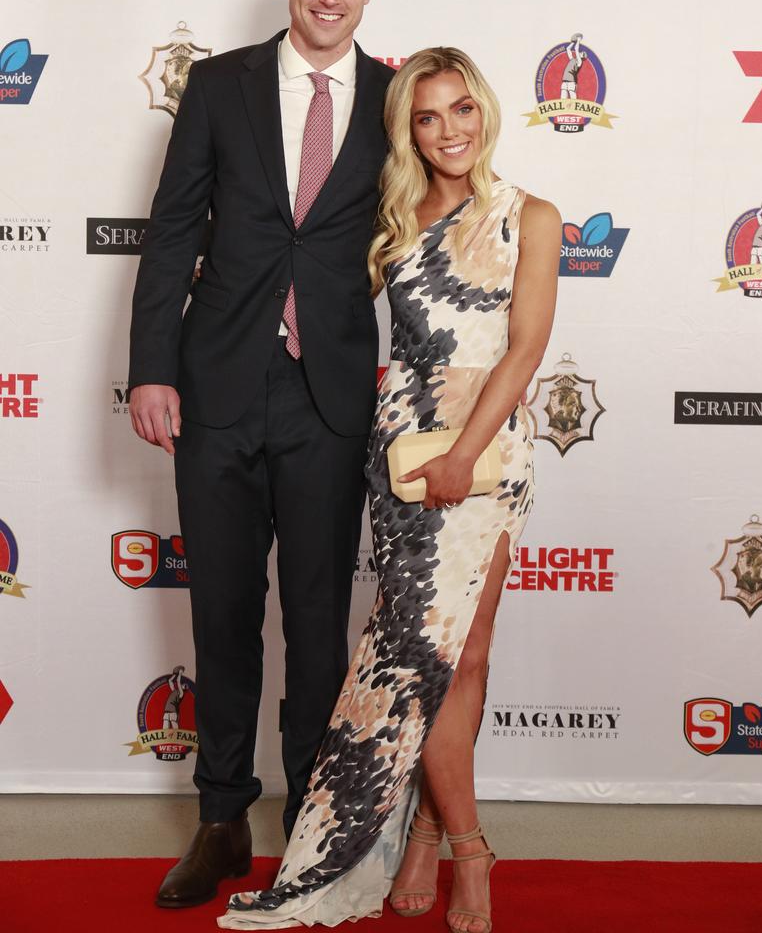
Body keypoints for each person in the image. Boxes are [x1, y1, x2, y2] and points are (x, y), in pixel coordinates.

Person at [218, 48, 560, 933]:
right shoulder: (393, 214)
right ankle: (462, 845)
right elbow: (300, 277)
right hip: (407, 453)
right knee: (421, 661)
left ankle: (434, 842)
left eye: (461, 110)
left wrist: (467, 454)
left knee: (468, 657)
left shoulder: (534, 215)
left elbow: (524, 351)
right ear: (407, 131)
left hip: (487, 456)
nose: (449, 130)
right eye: (426, 116)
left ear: (485, 112)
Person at [128, 0, 394, 909]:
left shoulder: (394, 94)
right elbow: (168, 233)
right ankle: (223, 816)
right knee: (225, 610)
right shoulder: (219, 83)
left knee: (321, 622)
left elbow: (422, 235)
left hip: (329, 391)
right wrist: (153, 367)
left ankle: (312, 824)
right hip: (217, 384)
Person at [561, 32, 587, 100]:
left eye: (582, 54)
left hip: (571, 82)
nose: (581, 53)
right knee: (562, 100)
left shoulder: (579, 62)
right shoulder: (572, 59)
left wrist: (578, 40)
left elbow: (576, 49)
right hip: (564, 81)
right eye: (581, 53)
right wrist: (573, 42)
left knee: (573, 100)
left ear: (583, 57)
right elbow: (568, 49)